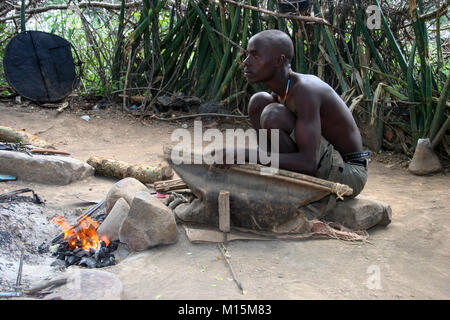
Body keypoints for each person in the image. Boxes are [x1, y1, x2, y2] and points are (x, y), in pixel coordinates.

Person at [240, 29, 370, 197]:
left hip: (349, 173)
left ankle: (288, 188)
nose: (246, 62)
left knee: (273, 115)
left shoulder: (305, 91)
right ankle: (275, 179)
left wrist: (245, 154)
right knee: (259, 102)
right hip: (325, 164)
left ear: (279, 60)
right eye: (248, 55)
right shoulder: (282, 90)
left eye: (255, 56)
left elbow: (308, 163)